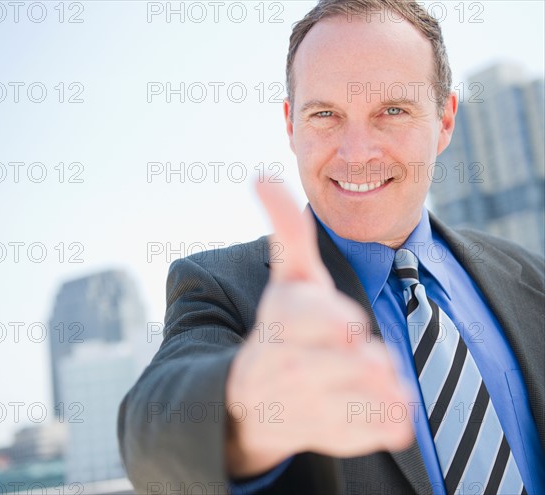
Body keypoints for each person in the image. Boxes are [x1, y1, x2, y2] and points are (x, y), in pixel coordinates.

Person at [118, 1, 545, 493]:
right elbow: (151, 435)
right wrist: (252, 412)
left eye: (392, 111)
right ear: (291, 126)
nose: (357, 153)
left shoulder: (530, 276)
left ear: (445, 120)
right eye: (325, 114)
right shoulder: (226, 290)